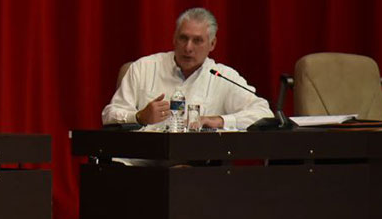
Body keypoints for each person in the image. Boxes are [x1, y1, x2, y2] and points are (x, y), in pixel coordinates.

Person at [102, 7, 272, 130]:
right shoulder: (143, 67)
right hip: (139, 162)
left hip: (193, 166)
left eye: (197, 41)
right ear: (174, 39)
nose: (188, 48)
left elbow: (264, 113)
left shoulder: (222, 76)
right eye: (183, 38)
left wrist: (220, 120)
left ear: (212, 44)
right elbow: (109, 115)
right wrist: (139, 117)